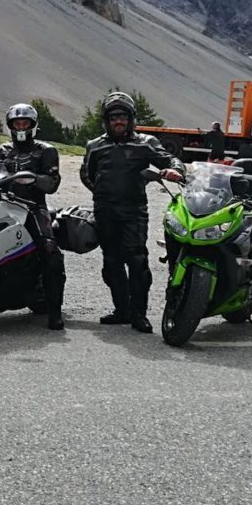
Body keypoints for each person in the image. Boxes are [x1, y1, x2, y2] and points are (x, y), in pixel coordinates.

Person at [80, 92, 185, 333]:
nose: (118, 122)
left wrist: (175, 170)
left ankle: (139, 314)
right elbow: (86, 173)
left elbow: (170, 160)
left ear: (131, 119)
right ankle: (121, 310)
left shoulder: (145, 143)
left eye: (123, 117)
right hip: (105, 210)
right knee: (111, 261)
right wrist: (102, 192)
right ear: (107, 120)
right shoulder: (95, 145)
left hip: (134, 211)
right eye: (114, 117)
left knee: (137, 261)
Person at [0, 103, 67, 330]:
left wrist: (34, 179)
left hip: (33, 207)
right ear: (10, 126)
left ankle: (55, 312)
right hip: (1, 207)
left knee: (50, 251)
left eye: (25, 123)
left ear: (33, 126)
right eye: (17, 123)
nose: (21, 127)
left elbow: (52, 183)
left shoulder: (46, 151)